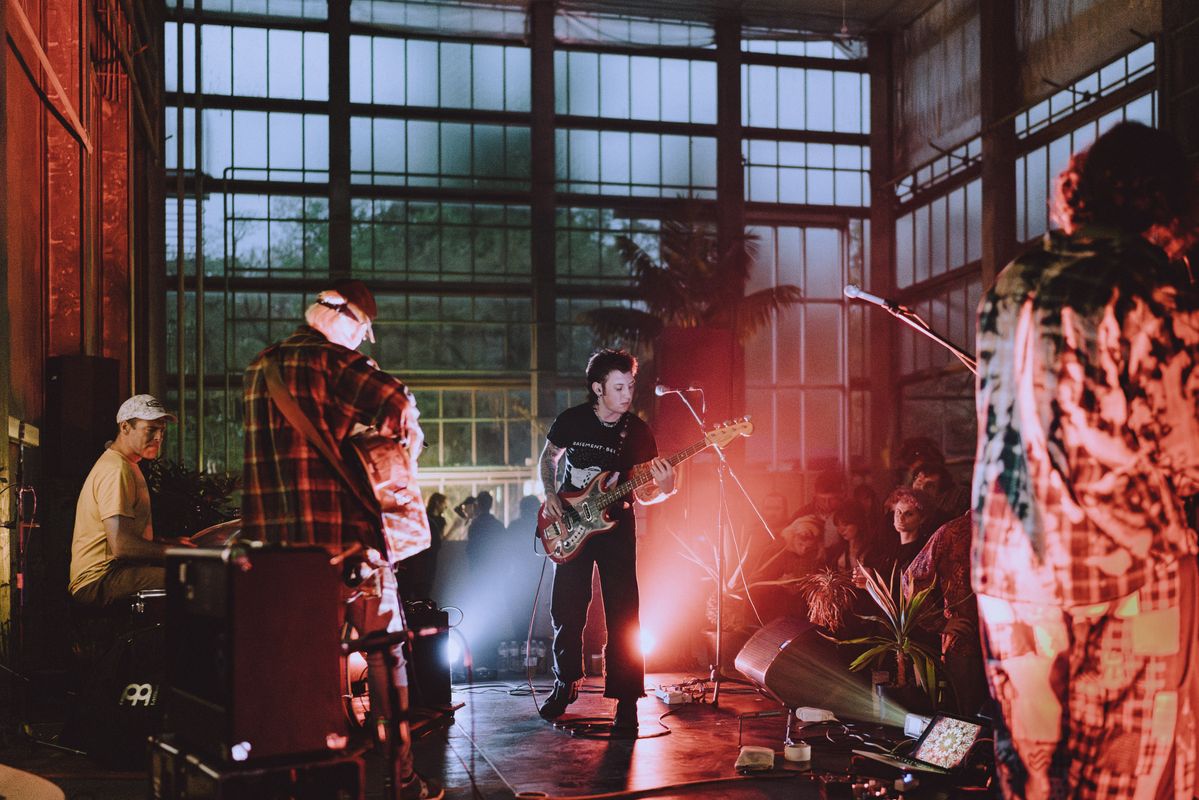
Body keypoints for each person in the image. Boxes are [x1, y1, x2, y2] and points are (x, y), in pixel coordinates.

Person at [973, 122, 1199, 799]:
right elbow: (1186, 458)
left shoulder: (1014, 279)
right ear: (1166, 205)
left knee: (1034, 778)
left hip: (1008, 577)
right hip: (1121, 579)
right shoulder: (1149, 283)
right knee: (1125, 780)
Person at [242, 279, 442, 800]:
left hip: (278, 559)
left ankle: (306, 780)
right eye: (362, 331)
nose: (360, 342)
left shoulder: (259, 369)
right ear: (345, 318)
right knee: (385, 655)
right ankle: (400, 780)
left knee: (300, 667)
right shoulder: (333, 363)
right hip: (346, 549)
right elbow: (398, 401)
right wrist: (402, 450)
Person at [536, 348, 676, 731]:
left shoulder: (638, 432)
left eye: (630, 386)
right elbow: (549, 458)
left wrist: (666, 488)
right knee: (566, 609)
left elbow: (645, 492)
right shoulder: (572, 420)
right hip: (571, 525)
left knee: (624, 613)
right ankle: (565, 682)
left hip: (617, 529)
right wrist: (549, 492)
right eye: (618, 387)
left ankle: (627, 701)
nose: (627, 394)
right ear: (598, 388)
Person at [69, 395, 185, 607]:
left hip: (115, 572)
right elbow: (122, 546)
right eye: (151, 430)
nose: (159, 437)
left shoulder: (126, 463)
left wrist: (167, 542)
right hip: (101, 579)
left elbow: (126, 534)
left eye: (162, 430)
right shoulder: (116, 469)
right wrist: (178, 553)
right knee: (191, 579)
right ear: (125, 427)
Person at [901, 512, 986, 716]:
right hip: (966, 643)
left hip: (1012, 645)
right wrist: (939, 622)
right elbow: (912, 579)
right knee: (966, 717)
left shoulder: (1014, 528)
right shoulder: (953, 532)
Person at [399, 493, 447, 603]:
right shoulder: (430, 524)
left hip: (409, 572)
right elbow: (437, 546)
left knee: (406, 599)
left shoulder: (407, 524)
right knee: (422, 599)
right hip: (425, 573)